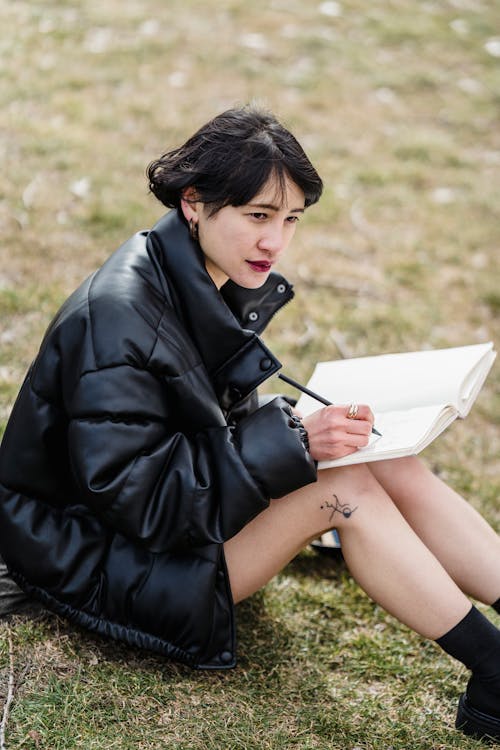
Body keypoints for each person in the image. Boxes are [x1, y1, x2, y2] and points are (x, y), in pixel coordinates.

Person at [0, 105, 499, 742]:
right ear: (194, 202)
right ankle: (493, 672)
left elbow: (202, 427)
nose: (275, 242)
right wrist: (291, 444)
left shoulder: (200, 274)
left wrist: (304, 432)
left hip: (172, 532)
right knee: (342, 491)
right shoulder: (117, 320)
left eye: (290, 220)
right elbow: (141, 502)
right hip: (103, 556)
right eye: (258, 216)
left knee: (382, 454)